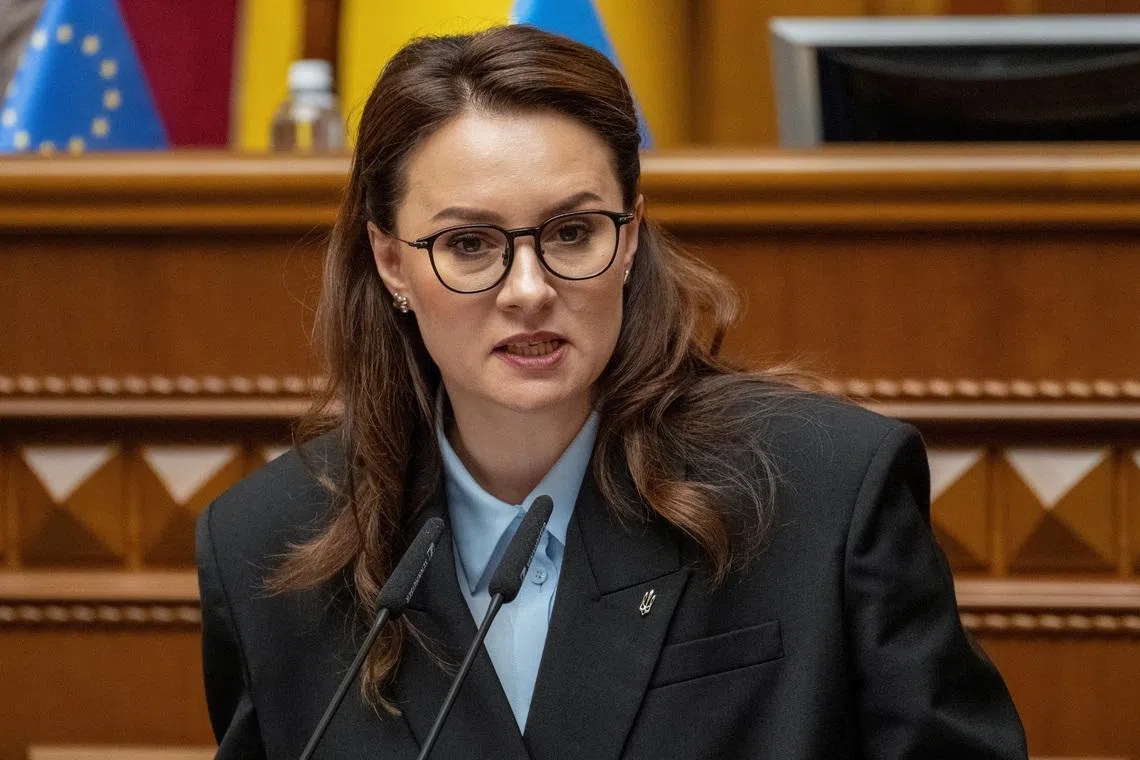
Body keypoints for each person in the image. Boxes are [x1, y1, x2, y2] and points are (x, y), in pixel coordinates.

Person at [196, 25, 1028, 759]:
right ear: (391, 262)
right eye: (471, 243)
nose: (528, 289)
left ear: (629, 239)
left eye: (571, 232)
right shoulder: (265, 547)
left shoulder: (826, 489)